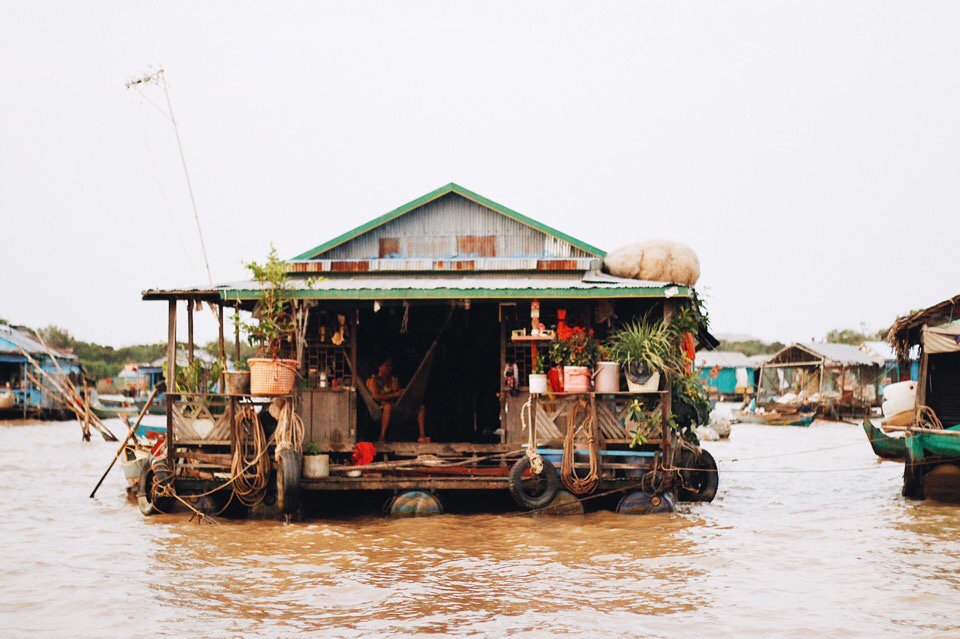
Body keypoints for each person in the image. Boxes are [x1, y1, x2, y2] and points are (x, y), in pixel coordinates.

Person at [367, 359, 427, 442]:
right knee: (387, 406)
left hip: (395, 409)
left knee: (420, 407)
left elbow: (399, 394)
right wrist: (394, 395)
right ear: (379, 367)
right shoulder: (374, 380)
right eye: (386, 365)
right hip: (379, 410)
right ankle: (382, 436)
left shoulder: (393, 380)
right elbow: (377, 397)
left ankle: (422, 435)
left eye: (390, 366)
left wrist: (402, 393)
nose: (389, 368)